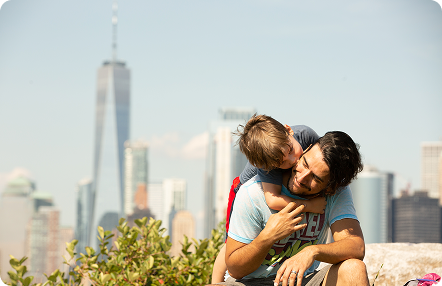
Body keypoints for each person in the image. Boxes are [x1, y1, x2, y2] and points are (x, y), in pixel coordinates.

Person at [209, 131, 368, 286]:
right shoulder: (253, 192)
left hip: (303, 280)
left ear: (331, 188)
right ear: (306, 150)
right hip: (249, 282)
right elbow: (235, 270)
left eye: (315, 178)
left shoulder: (337, 193)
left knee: (354, 269)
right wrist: (268, 236)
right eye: (305, 163)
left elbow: (356, 247)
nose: (302, 177)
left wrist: (312, 251)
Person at [212, 114, 327, 283]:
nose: (293, 160)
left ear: (289, 130)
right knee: (233, 243)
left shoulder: (306, 134)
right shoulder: (269, 165)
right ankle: (216, 281)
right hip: (241, 188)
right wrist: (309, 205)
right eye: (282, 163)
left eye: (290, 150)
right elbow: (273, 199)